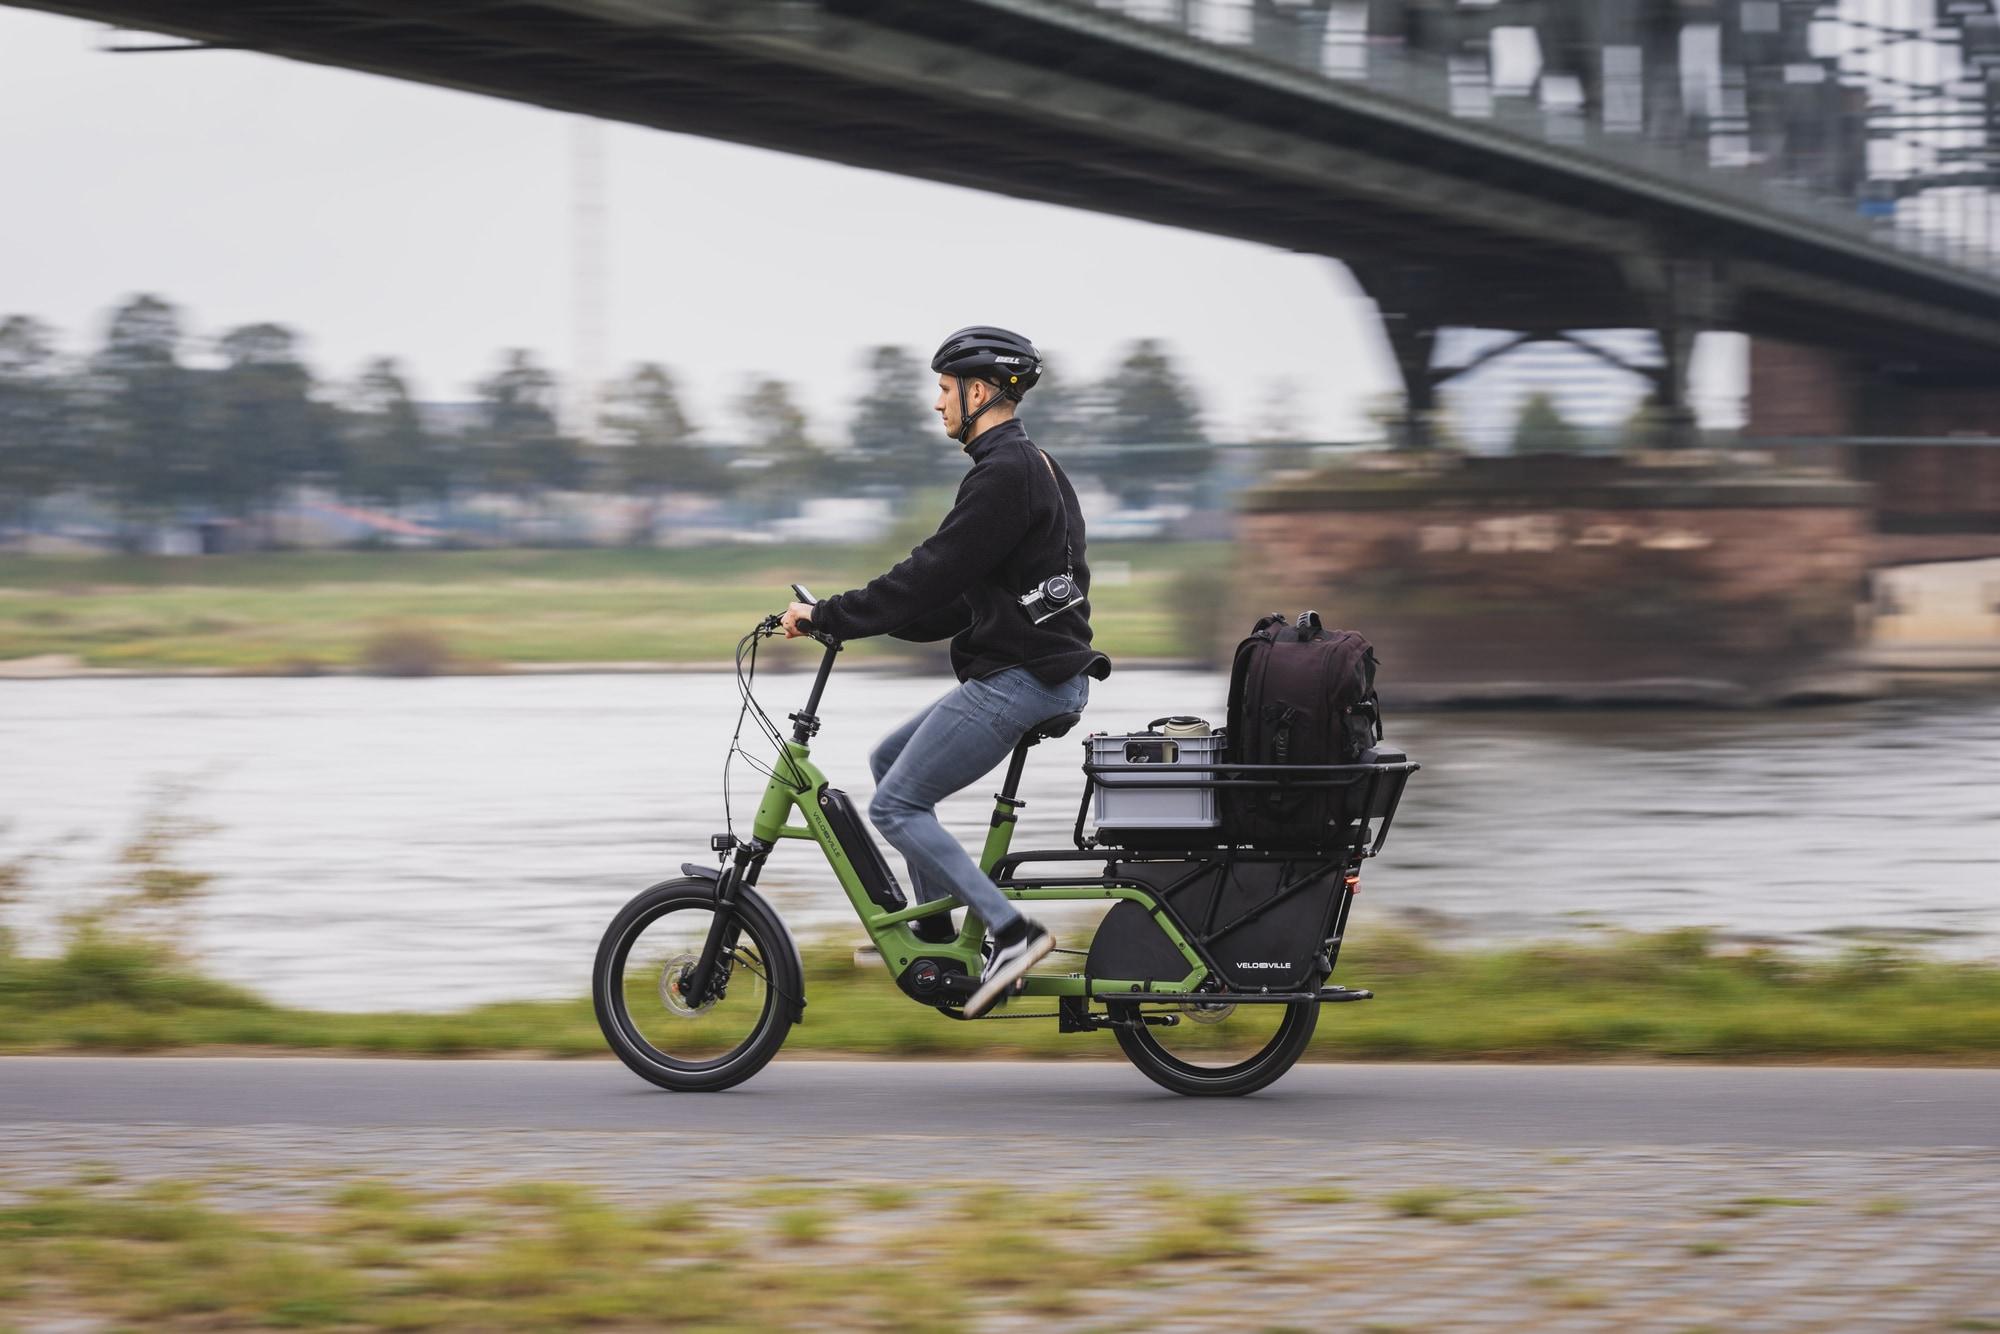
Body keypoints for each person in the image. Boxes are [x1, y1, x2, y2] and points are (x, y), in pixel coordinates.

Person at [781, 326, 1110, 1019]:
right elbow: (961, 596)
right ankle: (933, 934)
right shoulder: (1033, 466)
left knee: (895, 807)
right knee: (887, 759)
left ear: (978, 391)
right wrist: (864, 623)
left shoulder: (1005, 473)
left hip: (1024, 676)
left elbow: (931, 570)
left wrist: (830, 615)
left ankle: (1013, 934)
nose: (937, 403)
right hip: (1034, 669)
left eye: (943, 389)